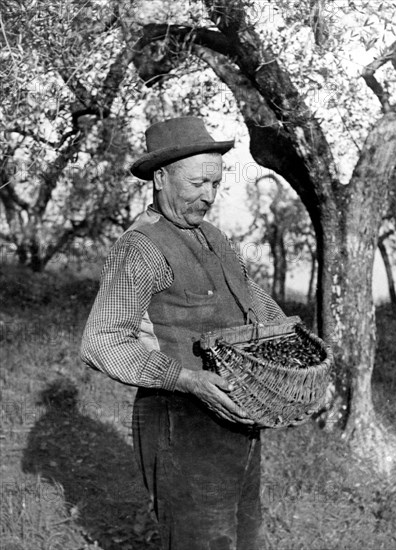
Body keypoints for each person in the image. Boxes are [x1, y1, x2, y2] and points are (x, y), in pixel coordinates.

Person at [80, 117, 286, 550]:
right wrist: (189, 379)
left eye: (215, 182)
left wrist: (288, 344)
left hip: (238, 419)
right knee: (201, 541)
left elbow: (255, 301)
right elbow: (102, 340)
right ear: (160, 178)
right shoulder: (141, 247)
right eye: (197, 183)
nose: (208, 195)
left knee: (247, 537)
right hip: (181, 424)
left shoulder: (213, 236)